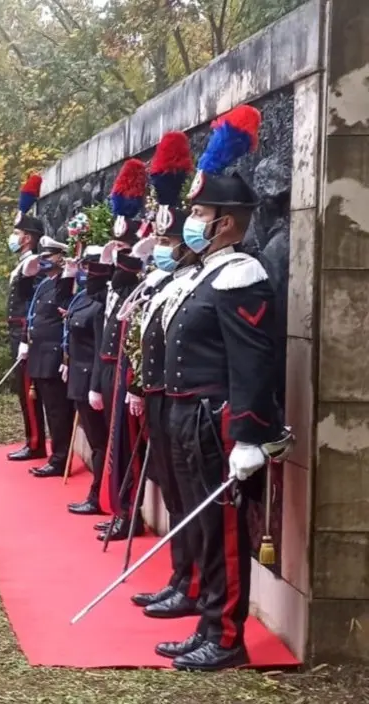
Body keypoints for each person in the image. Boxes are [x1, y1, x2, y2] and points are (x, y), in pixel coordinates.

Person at [157, 105, 290, 671]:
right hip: (188, 415)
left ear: (227, 221)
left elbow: (252, 363)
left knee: (227, 533)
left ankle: (227, 635)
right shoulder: (207, 271)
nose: (193, 220)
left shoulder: (241, 273)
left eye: (201, 212)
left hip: (217, 420)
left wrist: (249, 436)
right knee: (205, 527)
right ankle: (209, 621)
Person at [124, 131, 203, 620]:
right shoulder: (163, 282)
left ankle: (191, 581)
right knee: (173, 491)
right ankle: (181, 576)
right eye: (163, 240)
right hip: (159, 394)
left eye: (170, 241)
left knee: (187, 493)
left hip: (185, 400)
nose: (163, 247)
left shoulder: (197, 280)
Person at [91, 159, 148, 542]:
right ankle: (118, 508)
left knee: (128, 448)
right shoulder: (115, 285)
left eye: (124, 252)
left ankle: (129, 512)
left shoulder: (136, 284)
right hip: (111, 370)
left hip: (128, 373)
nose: (117, 260)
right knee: (115, 445)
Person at [23, 236, 76, 477]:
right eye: (42, 256)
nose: (44, 261)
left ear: (60, 258)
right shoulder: (45, 283)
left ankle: (60, 458)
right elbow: (34, 313)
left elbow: (64, 314)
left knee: (58, 412)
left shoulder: (66, 284)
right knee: (47, 408)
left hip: (53, 355)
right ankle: (55, 454)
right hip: (38, 353)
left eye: (49, 257)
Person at [65, 244, 110, 515]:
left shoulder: (101, 302)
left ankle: (98, 496)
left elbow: (99, 349)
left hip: (89, 381)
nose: (85, 271)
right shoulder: (83, 297)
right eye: (84, 266)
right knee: (96, 443)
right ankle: (98, 494)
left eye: (89, 266)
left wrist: (95, 386)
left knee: (99, 444)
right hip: (77, 378)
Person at [6, 174, 47, 462]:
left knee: (29, 391)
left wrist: (26, 336)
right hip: (15, 331)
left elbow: (33, 303)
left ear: (28, 238)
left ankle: (35, 443)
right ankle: (30, 438)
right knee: (23, 391)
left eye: (18, 233)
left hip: (24, 332)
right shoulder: (23, 261)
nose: (14, 237)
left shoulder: (32, 263)